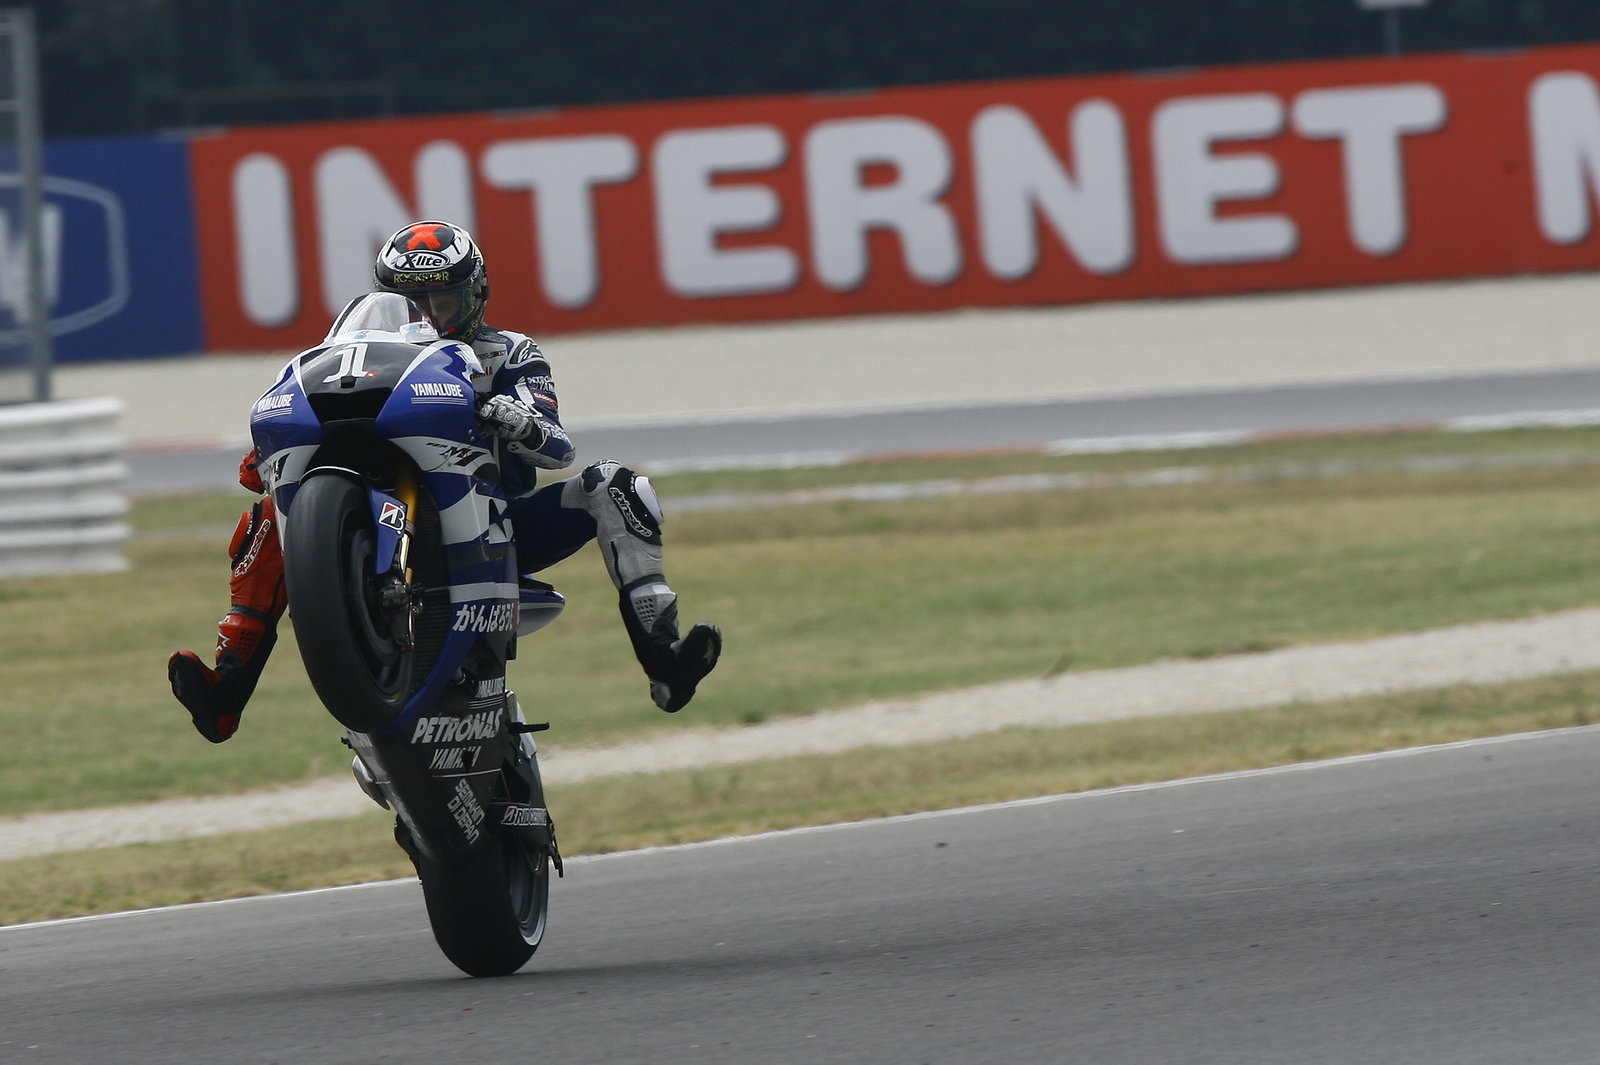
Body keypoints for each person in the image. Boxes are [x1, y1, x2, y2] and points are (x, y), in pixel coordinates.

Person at [168, 220, 722, 743]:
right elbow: (266, 463)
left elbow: (558, 447)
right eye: (412, 303)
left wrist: (520, 420)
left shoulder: (511, 352)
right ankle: (228, 688)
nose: (429, 317)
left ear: (474, 296)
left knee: (617, 486)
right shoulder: (365, 356)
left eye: (443, 301)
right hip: (382, 500)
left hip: (498, 524)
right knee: (271, 518)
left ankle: (664, 659)